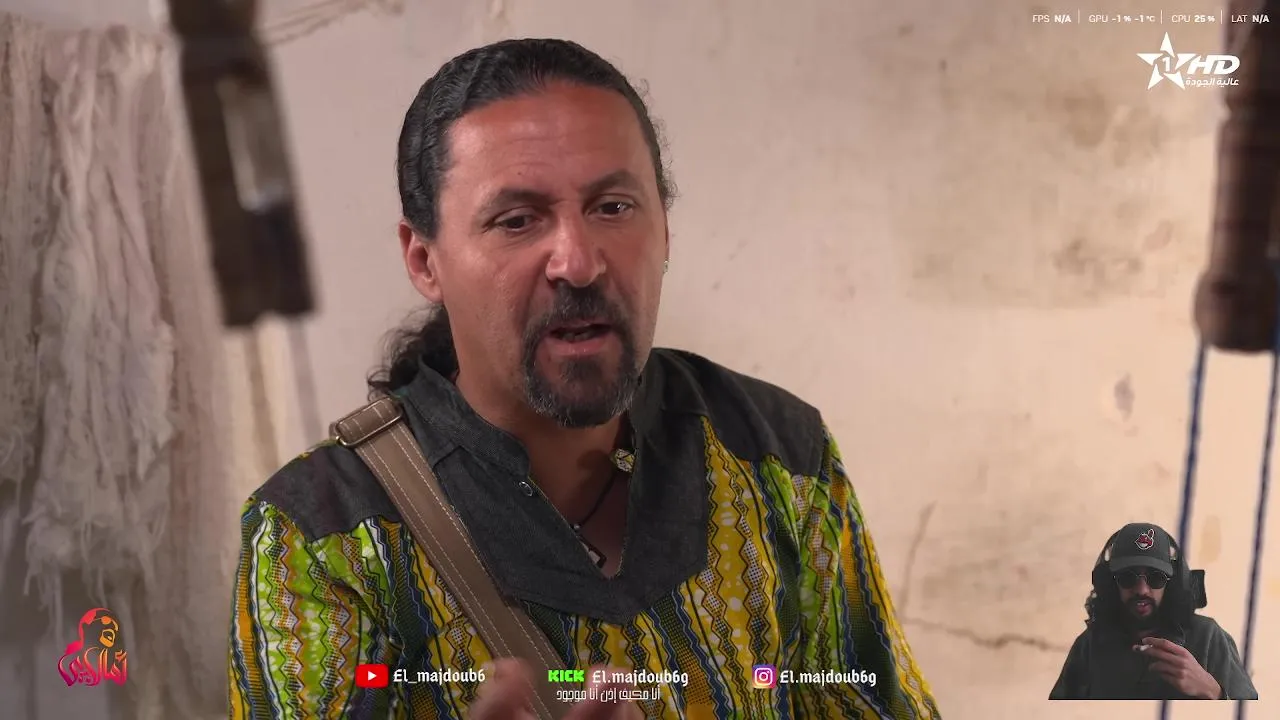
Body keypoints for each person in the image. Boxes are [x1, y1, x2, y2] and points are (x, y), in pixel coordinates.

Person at [228, 38, 939, 719]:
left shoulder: (776, 456)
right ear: (424, 261)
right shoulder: (323, 538)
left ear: (666, 230)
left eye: (612, 208)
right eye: (517, 220)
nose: (578, 261)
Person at [1049, 523, 1258, 700]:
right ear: (1110, 584)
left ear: (1173, 583)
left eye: (1156, 578)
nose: (1142, 590)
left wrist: (1213, 691)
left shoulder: (1208, 637)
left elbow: (1252, 712)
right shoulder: (1090, 645)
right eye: (1127, 578)